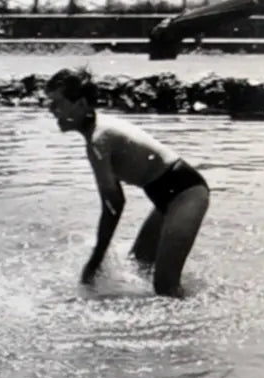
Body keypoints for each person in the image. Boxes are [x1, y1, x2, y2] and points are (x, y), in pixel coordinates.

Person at [44, 66, 209, 297]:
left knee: (165, 287)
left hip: (185, 192)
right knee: (140, 265)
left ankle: (211, 315)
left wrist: (95, 260)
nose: (51, 110)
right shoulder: (98, 130)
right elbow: (115, 202)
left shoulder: (99, 140)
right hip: (167, 193)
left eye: (57, 103)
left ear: (81, 104)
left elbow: (114, 204)